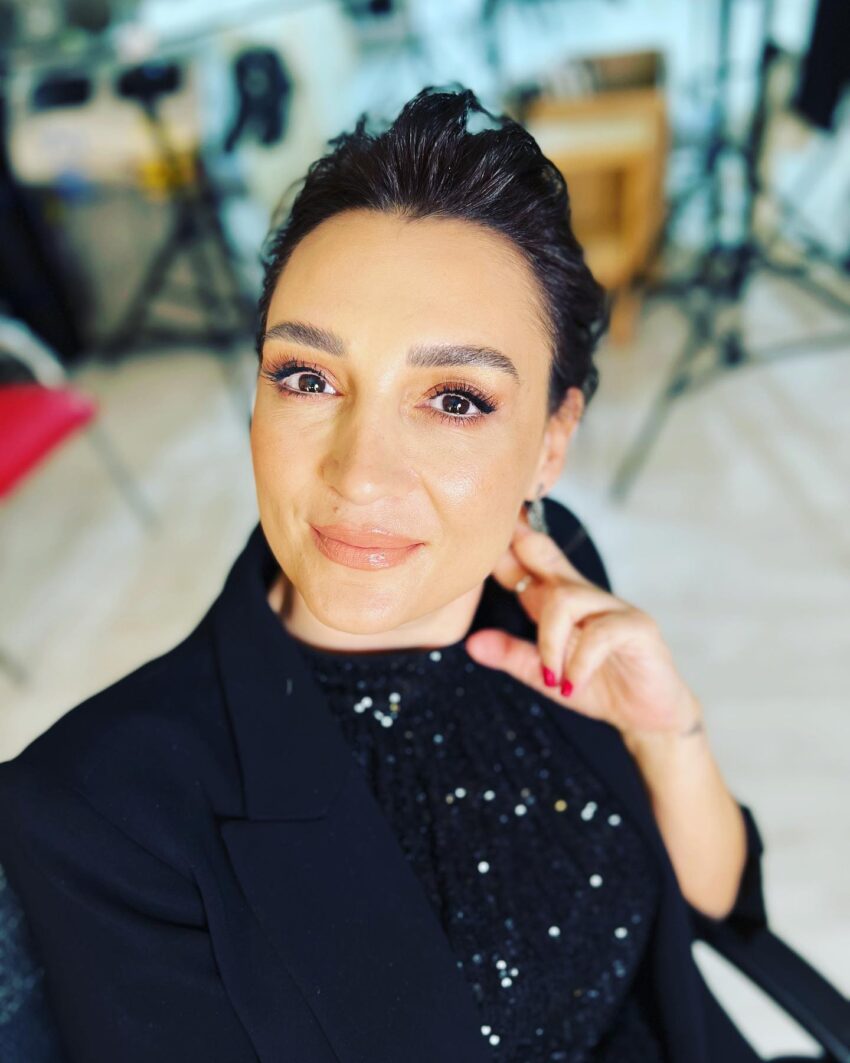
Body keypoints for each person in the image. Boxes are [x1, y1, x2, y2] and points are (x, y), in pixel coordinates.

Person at [0, 84, 774, 1062]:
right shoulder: (96, 808)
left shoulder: (553, 591)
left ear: (550, 443)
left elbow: (714, 906)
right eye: (308, 378)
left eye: (454, 399)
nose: (359, 474)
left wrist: (667, 738)